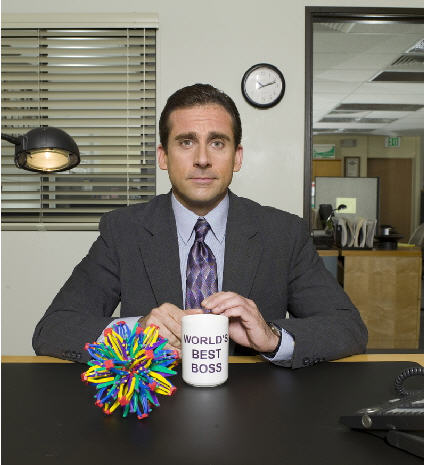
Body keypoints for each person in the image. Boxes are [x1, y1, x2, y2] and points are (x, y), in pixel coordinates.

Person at [33, 83, 367, 368]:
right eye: (186, 142)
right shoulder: (124, 231)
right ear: (163, 157)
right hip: (153, 408)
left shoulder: (283, 233)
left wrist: (272, 337)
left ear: (237, 157)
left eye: (217, 143)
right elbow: (54, 329)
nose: (203, 159)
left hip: (254, 407)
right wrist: (135, 333)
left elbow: (348, 327)